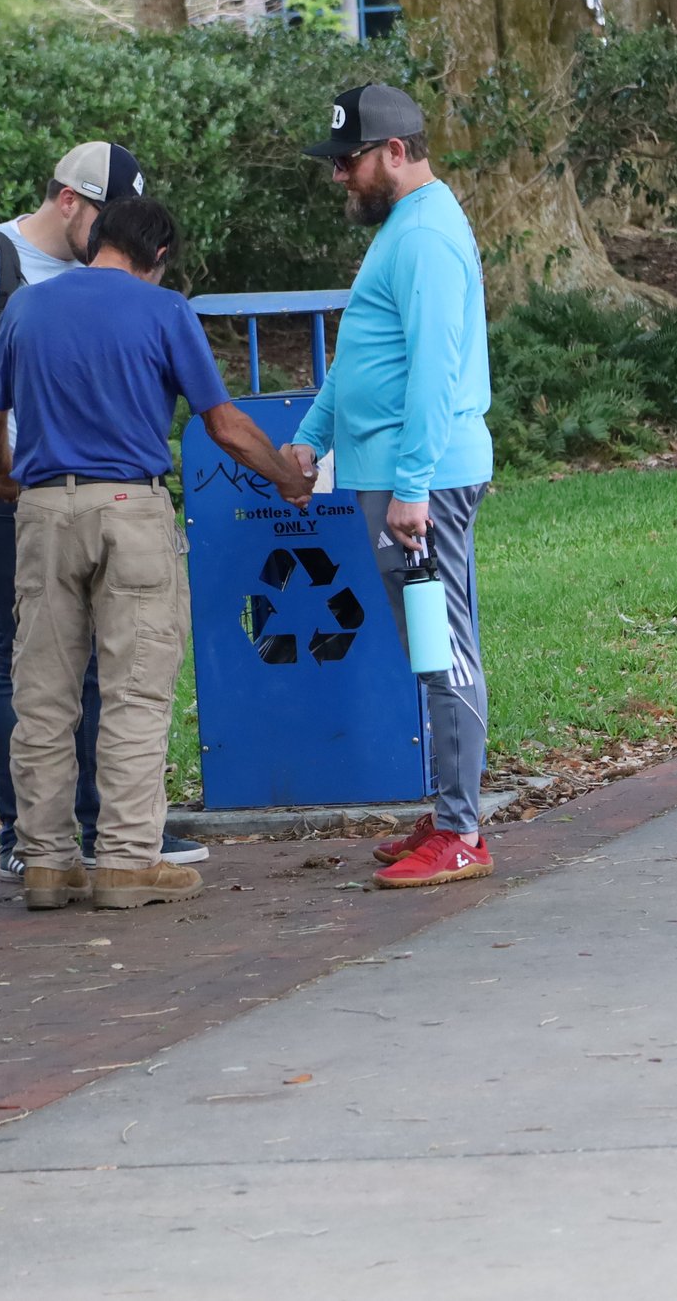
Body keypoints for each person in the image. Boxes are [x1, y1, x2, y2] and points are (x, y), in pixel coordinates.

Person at [0, 197, 313, 910]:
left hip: (42, 511)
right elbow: (222, 424)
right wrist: (286, 477)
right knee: (132, 691)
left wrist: (2, 476)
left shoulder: (27, 308)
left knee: (41, 696)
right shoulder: (164, 312)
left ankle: (46, 865)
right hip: (129, 508)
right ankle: (127, 861)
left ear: (96, 239)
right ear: (157, 257)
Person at [0, 141, 209, 876]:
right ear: (69, 198)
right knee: (25, 668)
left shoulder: (83, 276)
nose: (116, 231)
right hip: (0, 497)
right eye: (109, 212)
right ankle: (25, 838)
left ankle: (98, 833)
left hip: (58, 493)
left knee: (96, 668)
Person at [280, 83, 499, 889]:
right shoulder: (402, 230)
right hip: (397, 480)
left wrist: (411, 487)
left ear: (396, 152)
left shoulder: (430, 234)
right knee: (425, 646)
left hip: (424, 484)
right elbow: (362, 359)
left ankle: (462, 832)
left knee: (445, 649)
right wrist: (311, 441)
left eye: (349, 160)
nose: (340, 176)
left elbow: (438, 372)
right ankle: (449, 807)